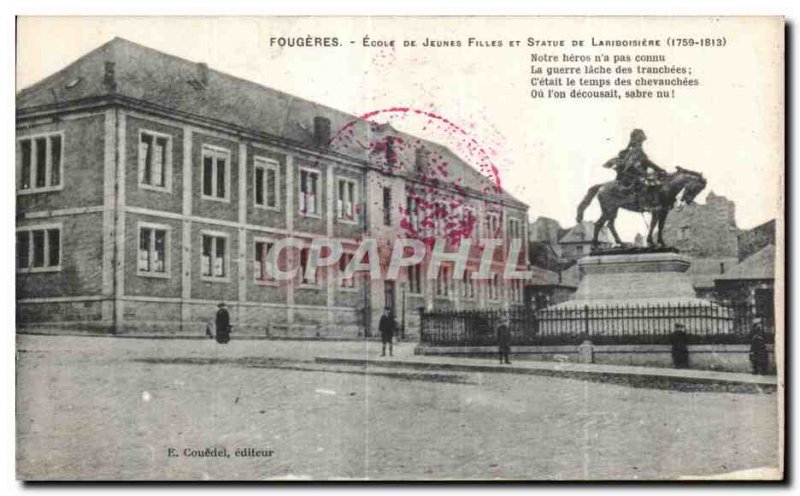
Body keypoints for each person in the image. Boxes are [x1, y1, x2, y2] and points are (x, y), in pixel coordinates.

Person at [603, 129, 666, 203]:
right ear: (636, 140)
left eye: (641, 141)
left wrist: (658, 169)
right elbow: (645, 162)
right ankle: (647, 203)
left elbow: (646, 162)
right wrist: (658, 169)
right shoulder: (636, 150)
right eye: (640, 141)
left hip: (633, 173)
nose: (641, 143)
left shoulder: (634, 150)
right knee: (652, 182)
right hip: (633, 175)